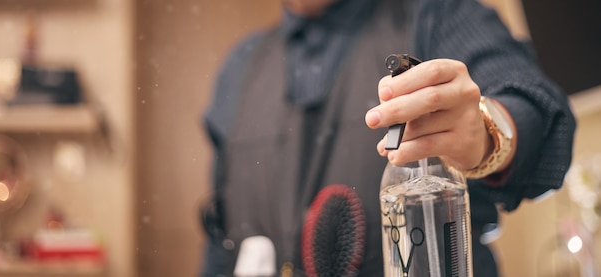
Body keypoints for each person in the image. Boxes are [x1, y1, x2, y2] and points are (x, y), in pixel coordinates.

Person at [200, 0, 576, 276]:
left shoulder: (439, 15)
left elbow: (544, 119)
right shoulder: (238, 68)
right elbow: (221, 242)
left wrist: (487, 132)